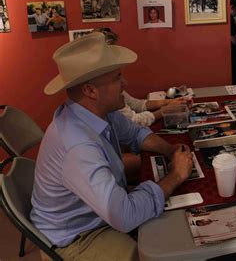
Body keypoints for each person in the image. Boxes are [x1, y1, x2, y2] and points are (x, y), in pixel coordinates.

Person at [30, 33, 194, 260]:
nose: (124, 84)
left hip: (96, 215)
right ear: (90, 91)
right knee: (156, 254)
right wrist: (176, 175)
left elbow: (135, 133)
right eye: (117, 78)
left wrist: (170, 151)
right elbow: (124, 215)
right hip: (78, 235)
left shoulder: (96, 112)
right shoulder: (77, 145)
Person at [91, 27, 188, 127]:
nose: (124, 83)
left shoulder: (111, 77)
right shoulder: (101, 83)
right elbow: (134, 122)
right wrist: (165, 110)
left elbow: (136, 105)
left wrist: (168, 102)